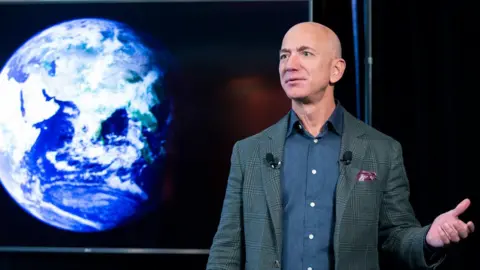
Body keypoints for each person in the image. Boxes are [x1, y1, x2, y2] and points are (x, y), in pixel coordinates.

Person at [206, 22, 475, 270]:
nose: (291, 64)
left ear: (336, 69)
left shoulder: (381, 150)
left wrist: (428, 238)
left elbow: (396, 235)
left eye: (306, 53)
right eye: (284, 55)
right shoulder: (248, 152)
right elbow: (227, 247)